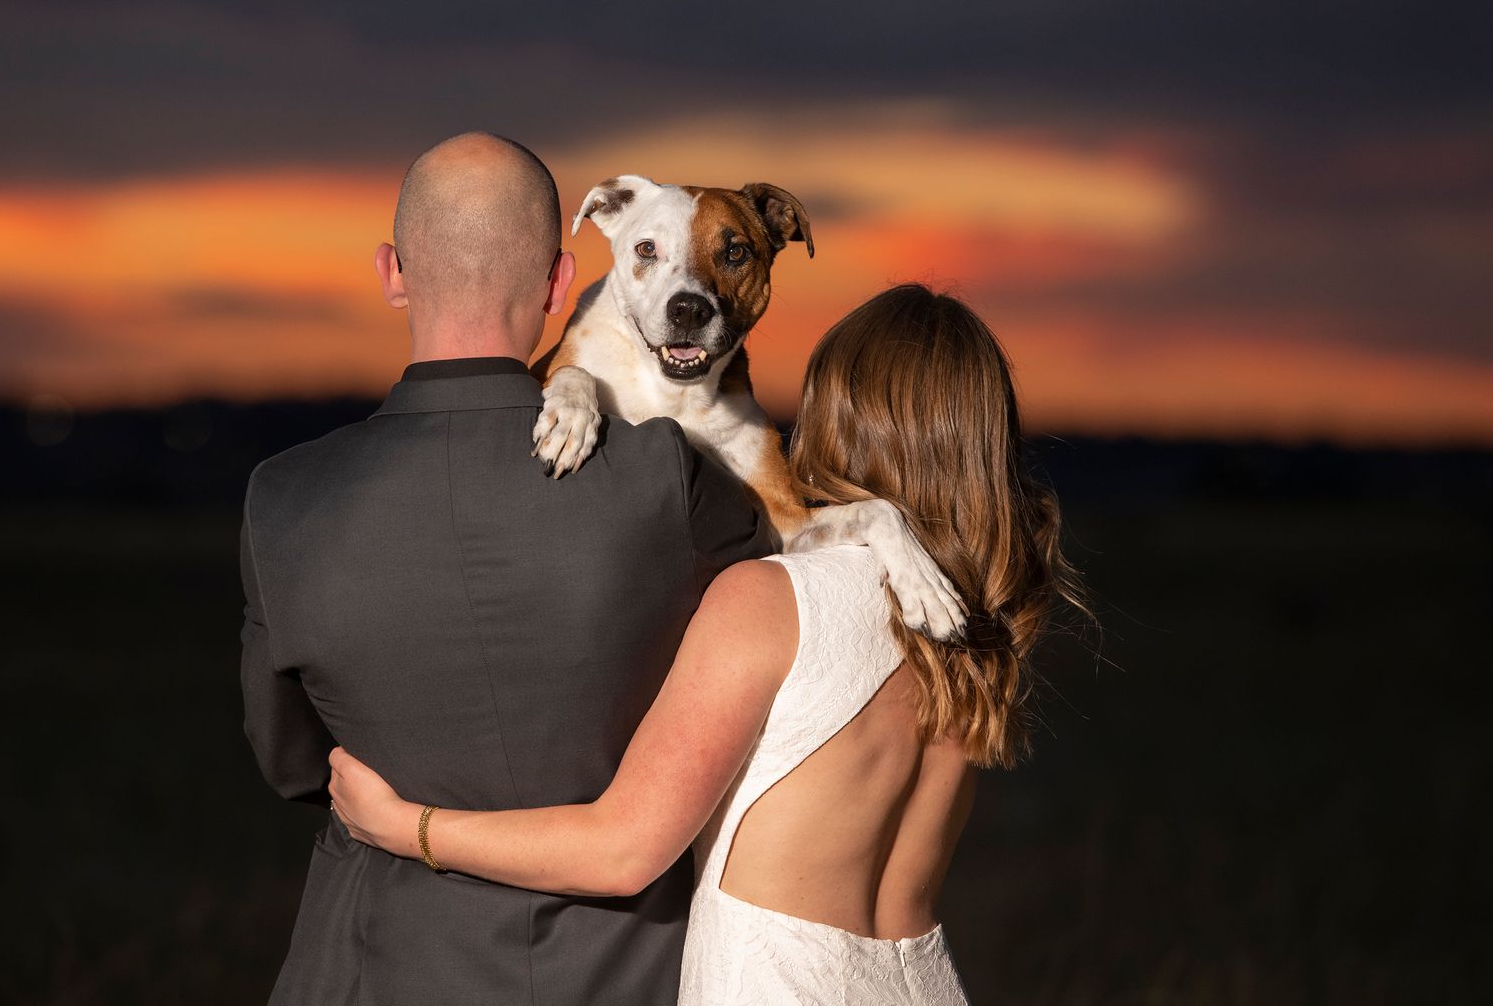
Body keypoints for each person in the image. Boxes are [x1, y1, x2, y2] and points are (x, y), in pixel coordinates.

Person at [330, 283, 1091, 1004]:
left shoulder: (775, 599)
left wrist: (405, 825)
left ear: (837, 414)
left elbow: (622, 852)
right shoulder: (974, 622)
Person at [239, 133, 764, 1004]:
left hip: (373, 969)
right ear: (561, 286)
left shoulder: (282, 498)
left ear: (392, 274)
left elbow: (292, 763)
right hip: (620, 974)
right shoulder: (666, 479)